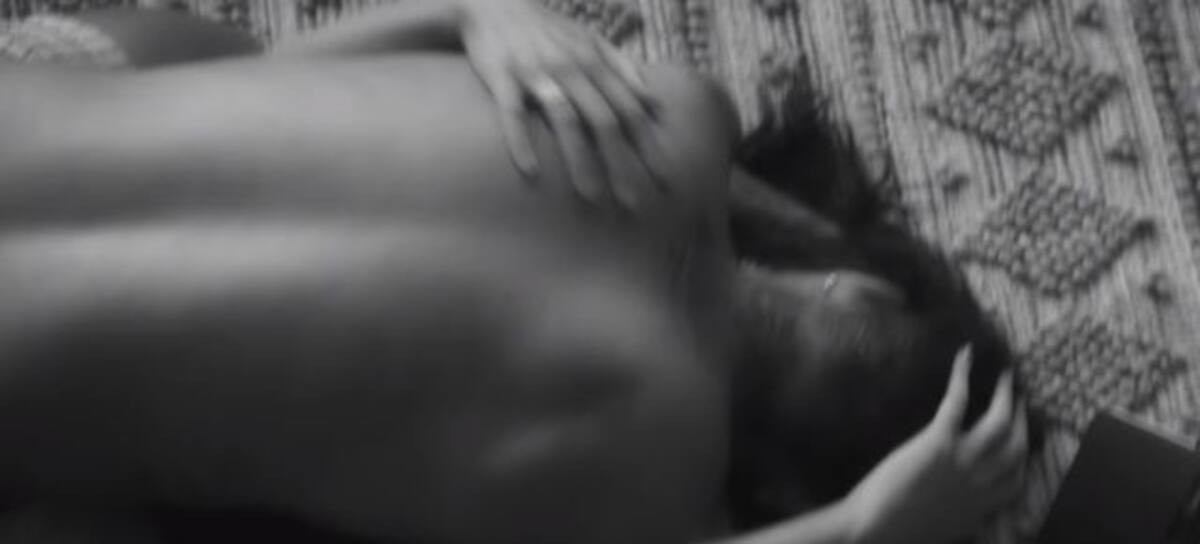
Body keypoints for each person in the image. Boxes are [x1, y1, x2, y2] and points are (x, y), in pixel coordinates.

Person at [0, 2, 1030, 543]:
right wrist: (856, 529)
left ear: (857, 280)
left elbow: (267, 89)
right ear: (774, 485)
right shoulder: (643, 483)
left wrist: (473, 10)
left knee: (200, 62)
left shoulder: (677, 114)